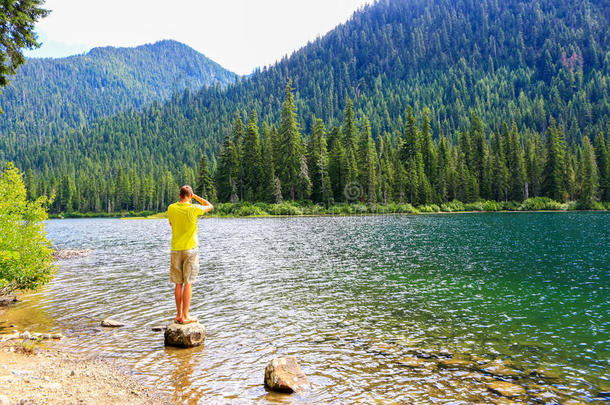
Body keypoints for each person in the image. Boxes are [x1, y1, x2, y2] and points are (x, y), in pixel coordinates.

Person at [167, 185, 213, 324]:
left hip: (176, 249)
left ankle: (178, 315)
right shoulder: (194, 208)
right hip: (190, 250)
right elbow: (209, 205)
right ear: (190, 196)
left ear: (179, 195)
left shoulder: (171, 208)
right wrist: (196, 197)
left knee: (178, 284)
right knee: (188, 283)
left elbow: (171, 223)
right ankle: (185, 317)